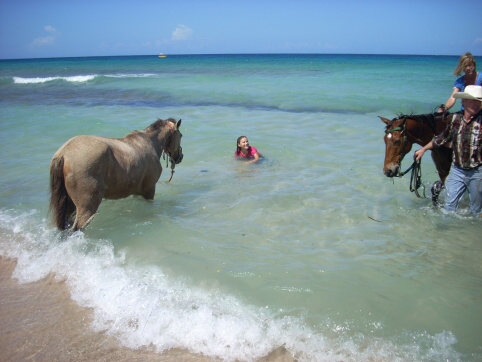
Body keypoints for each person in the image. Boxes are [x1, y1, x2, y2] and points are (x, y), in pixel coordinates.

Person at [414, 85, 482, 216]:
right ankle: (444, 233)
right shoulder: (455, 119)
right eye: (473, 100)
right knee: (448, 207)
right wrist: (423, 149)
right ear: (464, 101)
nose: (476, 104)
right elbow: (441, 138)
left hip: (477, 172)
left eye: (479, 102)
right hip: (457, 170)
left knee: (476, 211)